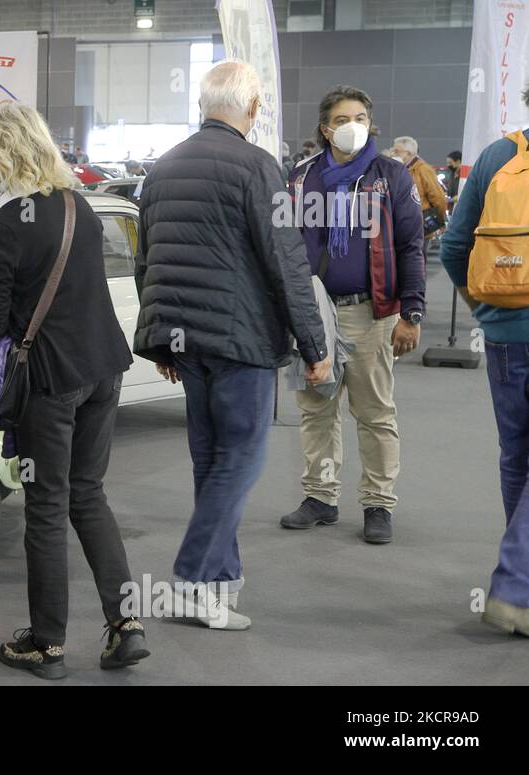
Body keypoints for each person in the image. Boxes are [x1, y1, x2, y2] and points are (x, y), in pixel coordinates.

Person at [135, 60, 330, 631]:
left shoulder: (162, 169)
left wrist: (162, 345)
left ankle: (216, 588)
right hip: (240, 342)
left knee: (211, 462)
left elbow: (151, 262)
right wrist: (314, 345)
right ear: (251, 108)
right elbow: (286, 261)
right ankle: (194, 579)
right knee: (240, 460)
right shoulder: (257, 166)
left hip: (187, 343)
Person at [0, 101, 149, 678]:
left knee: (46, 506)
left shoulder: (1, 224)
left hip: (50, 382)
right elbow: (69, 287)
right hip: (103, 370)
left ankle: (46, 644)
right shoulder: (79, 207)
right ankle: (126, 626)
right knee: (87, 495)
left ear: (3, 151)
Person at [282, 85, 426, 544]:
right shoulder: (302, 178)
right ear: (326, 129)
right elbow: (284, 244)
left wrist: (412, 311)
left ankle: (378, 504)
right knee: (316, 409)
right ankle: (320, 497)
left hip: (372, 313)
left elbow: (410, 245)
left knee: (375, 413)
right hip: (314, 314)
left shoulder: (390, 175)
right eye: (345, 119)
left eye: (362, 117)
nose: (355, 126)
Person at [439, 87, 529, 636]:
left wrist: (488, 310)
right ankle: (515, 586)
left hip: (504, 337)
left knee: (517, 457)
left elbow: (453, 248)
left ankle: (523, 591)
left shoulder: (498, 156)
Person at [392, 135, 448, 240]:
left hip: (420, 226)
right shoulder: (401, 170)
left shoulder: (423, 169)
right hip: (403, 225)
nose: (393, 154)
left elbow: (438, 198)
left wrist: (437, 219)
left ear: (407, 153)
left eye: (396, 151)